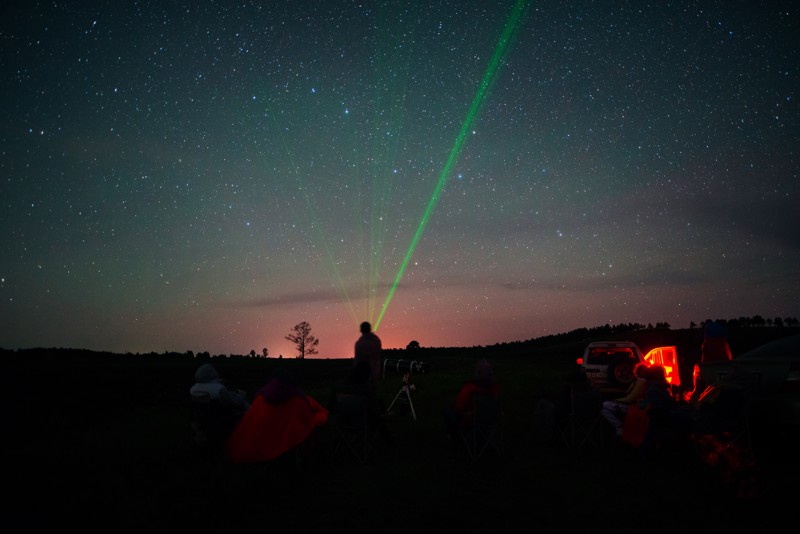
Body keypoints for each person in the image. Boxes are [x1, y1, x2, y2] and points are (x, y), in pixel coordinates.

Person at [226, 369, 328, 463]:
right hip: (276, 450)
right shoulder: (298, 401)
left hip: (247, 448)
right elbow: (306, 422)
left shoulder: (260, 399)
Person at [189, 363, 250, 448]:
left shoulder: (194, 388)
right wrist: (242, 395)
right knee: (243, 404)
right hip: (220, 419)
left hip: (201, 418)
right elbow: (234, 402)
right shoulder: (219, 389)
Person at [443, 358, 500, 439]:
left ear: (478, 373)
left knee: (448, 411)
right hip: (493, 423)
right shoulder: (495, 388)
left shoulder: (470, 388)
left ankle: (454, 438)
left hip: (473, 424)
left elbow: (459, 408)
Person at [600, 363, 648, 438]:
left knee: (604, 406)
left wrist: (616, 400)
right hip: (633, 406)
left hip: (633, 407)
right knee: (605, 406)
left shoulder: (641, 383)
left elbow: (631, 398)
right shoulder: (639, 382)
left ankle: (619, 426)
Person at [354, 321, 382, 387]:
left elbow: (359, 358)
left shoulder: (360, 343)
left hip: (363, 373)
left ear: (361, 330)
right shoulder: (376, 340)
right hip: (375, 371)